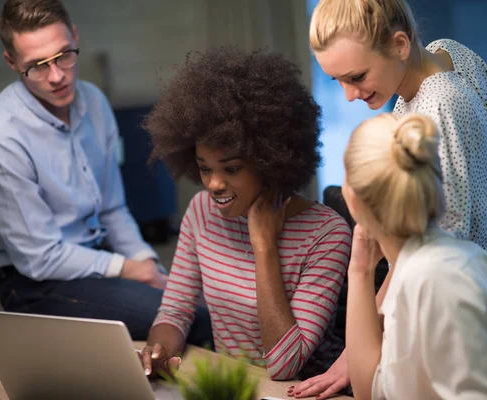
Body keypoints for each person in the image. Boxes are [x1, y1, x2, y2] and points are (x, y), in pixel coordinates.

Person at [291, 0, 487, 396]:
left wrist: (356, 352)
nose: (348, 95)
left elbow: (427, 250)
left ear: (399, 44)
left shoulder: (432, 112)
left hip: (466, 319)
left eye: (357, 76)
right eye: (337, 81)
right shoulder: (452, 52)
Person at [0, 0, 212, 343]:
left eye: (64, 55)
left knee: (198, 303)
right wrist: (130, 270)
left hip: (97, 259)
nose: (56, 76)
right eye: (36, 66)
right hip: (33, 284)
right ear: (11, 62)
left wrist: (148, 265)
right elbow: (39, 259)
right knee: (192, 319)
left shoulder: (94, 102)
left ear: (75, 37)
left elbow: (112, 209)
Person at [138, 46, 351, 381]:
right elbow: (175, 311)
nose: (214, 184)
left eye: (232, 168)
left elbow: (284, 365)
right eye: (204, 168)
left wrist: (264, 246)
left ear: (270, 159)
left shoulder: (327, 234)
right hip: (238, 385)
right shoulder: (200, 212)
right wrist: (159, 352)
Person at [337, 113, 487, 399]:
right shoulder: (434, 262)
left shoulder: (435, 279)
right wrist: (359, 271)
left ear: (355, 203)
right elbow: (372, 389)